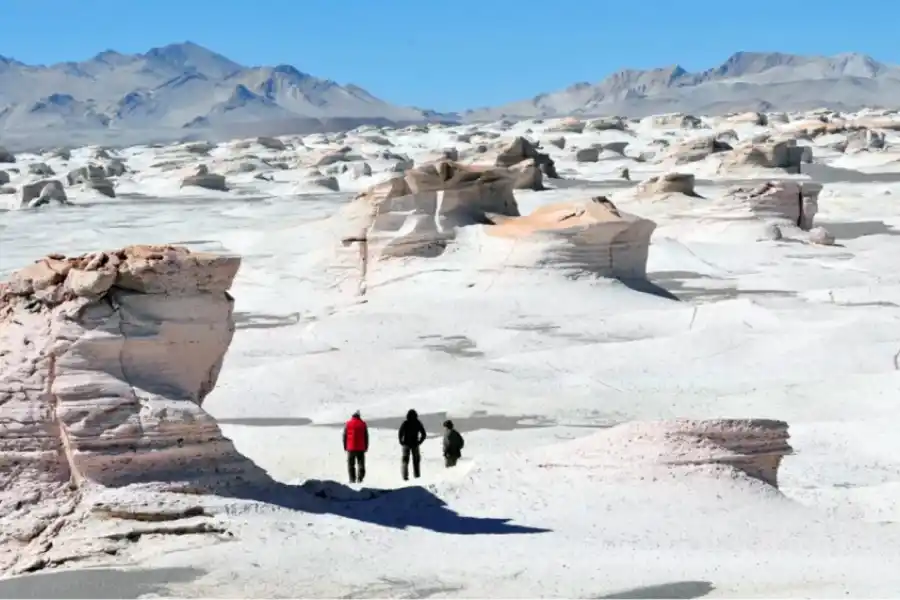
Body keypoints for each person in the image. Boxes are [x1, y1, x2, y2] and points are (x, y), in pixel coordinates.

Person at [398, 409, 427, 480]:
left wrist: (401, 441)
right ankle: (417, 475)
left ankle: (405, 476)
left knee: (405, 460)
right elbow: (424, 434)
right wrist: (419, 442)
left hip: (406, 443)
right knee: (416, 460)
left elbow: (400, 432)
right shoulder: (417, 423)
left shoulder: (406, 423)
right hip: (415, 444)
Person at [343, 410, 369, 484]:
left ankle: (352, 479)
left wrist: (345, 446)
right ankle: (360, 478)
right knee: (361, 464)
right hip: (361, 448)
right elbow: (366, 436)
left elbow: (345, 436)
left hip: (350, 448)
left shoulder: (348, 424)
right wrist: (366, 446)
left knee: (351, 465)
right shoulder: (363, 424)